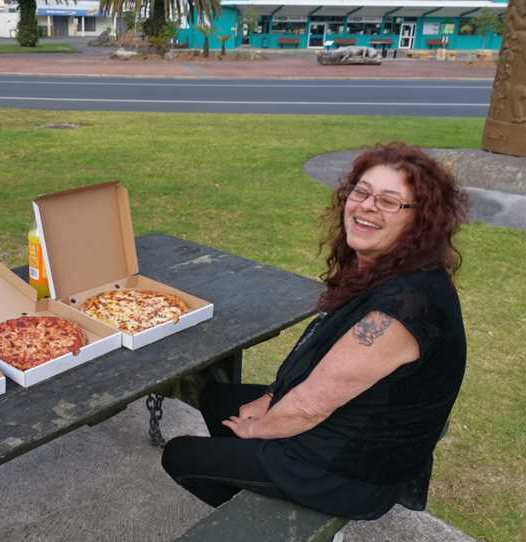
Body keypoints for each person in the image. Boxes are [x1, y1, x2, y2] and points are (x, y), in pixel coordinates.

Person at [161, 143, 469, 520]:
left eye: (390, 202)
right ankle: (259, 491)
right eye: (362, 192)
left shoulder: (405, 307)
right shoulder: (387, 269)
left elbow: (310, 405)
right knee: (217, 399)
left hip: (355, 470)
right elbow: (320, 362)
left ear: (419, 221)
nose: (367, 206)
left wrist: (260, 429)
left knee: (180, 455)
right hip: (357, 425)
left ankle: (265, 524)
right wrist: (273, 397)